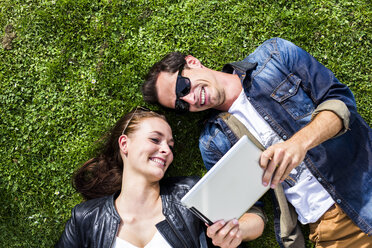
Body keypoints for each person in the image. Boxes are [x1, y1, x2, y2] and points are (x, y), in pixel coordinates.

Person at [142, 37, 372, 247]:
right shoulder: (213, 142)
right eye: (181, 105)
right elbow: (254, 214)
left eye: (183, 87)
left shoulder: (275, 56)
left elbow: (341, 102)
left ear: (192, 62)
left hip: (365, 180)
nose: (191, 99)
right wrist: (236, 231)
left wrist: (299, 143)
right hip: (331, 229)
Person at [56, 107, 264, 248]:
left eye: (170, 146)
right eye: (155, 139)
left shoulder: (188, 193)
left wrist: (238, 232)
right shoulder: (85, 218)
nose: (166, 150)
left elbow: (255, 219)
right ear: (124, 144)